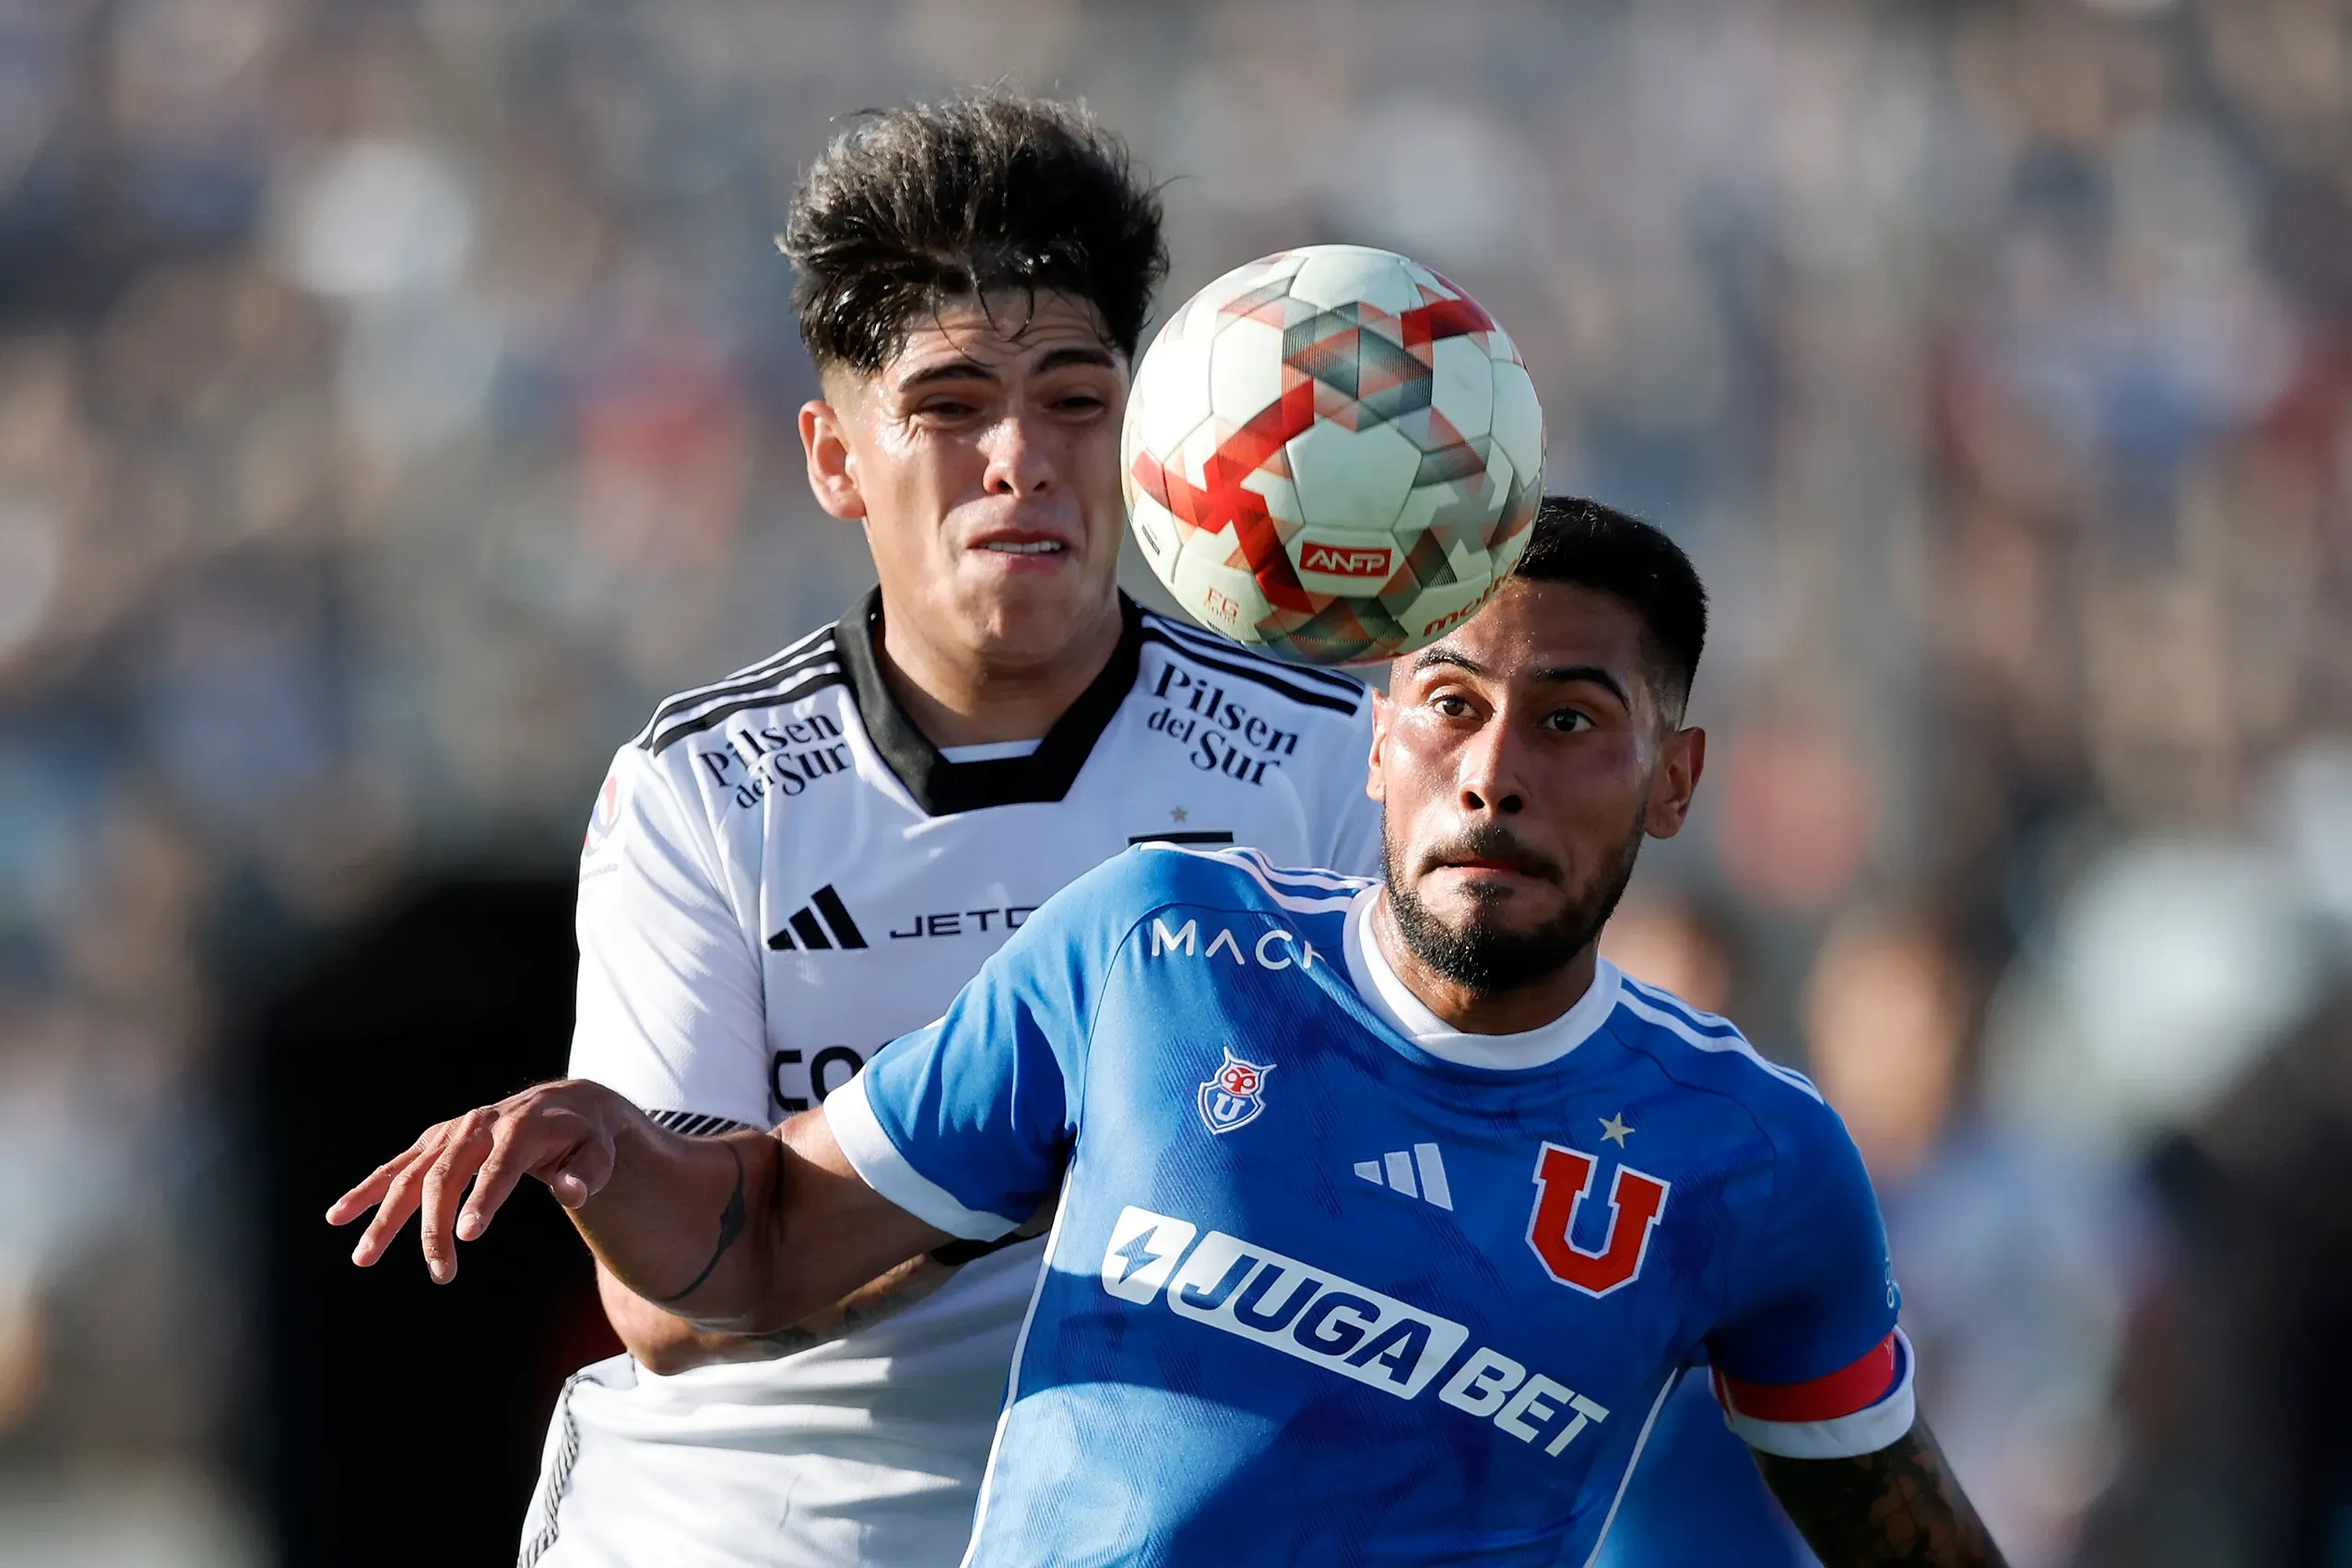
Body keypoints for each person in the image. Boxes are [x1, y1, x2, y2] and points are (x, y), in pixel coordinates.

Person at [336, 500, 2008, 1567]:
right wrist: (610, 1154)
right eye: (1449, 705)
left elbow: (1893, 1521)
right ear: (1373, 744)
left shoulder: (1756, 1155)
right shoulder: (1156, 947)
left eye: (1572, 721)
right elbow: (758, 1249)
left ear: (1673, 780)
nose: (1494, 770)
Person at [506, 94, 1386, 1567]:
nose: (1019, 459)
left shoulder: (1320, 759)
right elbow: (678, 1300)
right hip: (756, 1522)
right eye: (949, 406)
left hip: (1173, 1519)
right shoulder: (705, 795)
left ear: (1144, 432)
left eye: (1072, 400)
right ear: (835, 456)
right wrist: (1051, 1152)